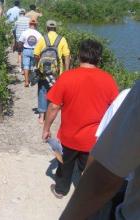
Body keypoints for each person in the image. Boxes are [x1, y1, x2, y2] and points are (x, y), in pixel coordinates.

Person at [42, 39, 119, 199]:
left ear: (79, 55)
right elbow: (115, 110)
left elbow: (53, 107)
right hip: (94, 138)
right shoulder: (108, 79)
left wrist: (46, 128)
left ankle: (60, 190)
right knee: (89, 171)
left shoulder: (67, 77)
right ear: (99, 58)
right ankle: (86, 198)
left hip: (69, 137)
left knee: (64, 165)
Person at [59, 80, 140, 220]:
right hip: (89, 142)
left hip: (125, 197)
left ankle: (61, 189)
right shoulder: (108, 81)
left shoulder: (128, 96)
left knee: (67, 165)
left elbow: (104, 176)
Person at [34, 20, 70, 124]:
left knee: (42, 90)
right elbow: (66, 56)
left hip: (44, 71)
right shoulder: (62, 39)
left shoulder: (42, 38)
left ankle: (41, 117)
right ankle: (52, 114)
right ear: (56, 28)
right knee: (55, 93)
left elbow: (36, 54)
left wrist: (38, 65)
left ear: (46, 28)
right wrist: (66, 71)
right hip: (57, 72)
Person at [18, 18, 42, 87]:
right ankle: (30, 79)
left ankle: (26, 82)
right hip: (35, 51)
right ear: (36, 25)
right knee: (31, 66)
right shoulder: (39, 34)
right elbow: (41, 44)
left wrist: (20, 51)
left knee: (26, 66)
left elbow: (20, 43)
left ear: (29, 24)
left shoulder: (25, 32)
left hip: (26, 50)